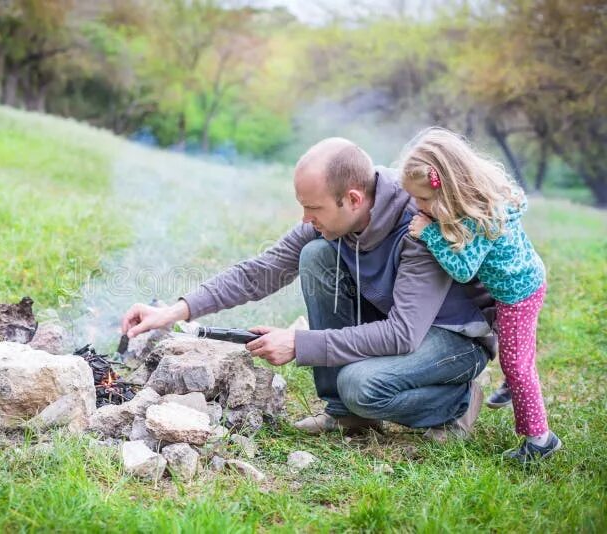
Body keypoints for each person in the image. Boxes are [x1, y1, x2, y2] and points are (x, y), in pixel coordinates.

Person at [122, 137, 497, 441]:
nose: (306, 219)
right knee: (316, 254)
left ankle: (458, 401)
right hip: (401, 321)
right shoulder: (334, 220)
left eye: (313, 208)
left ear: (353, 199)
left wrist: (300, 344)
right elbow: (261, 271)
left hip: (452, 338)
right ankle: (347, 417)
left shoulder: (418, 226)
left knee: (361, 385)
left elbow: (402, 334)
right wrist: (175, 311)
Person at [401, 127, 561, 462]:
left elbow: (463, 270)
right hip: (519, 284)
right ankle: (514, 386)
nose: (419, 206)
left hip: (518, 294)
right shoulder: (478, 202)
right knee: (517, 351)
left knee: (516, 362)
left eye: (426, 200)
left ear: (450, 189)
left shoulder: (481, 219)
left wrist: (430, 233)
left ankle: (540, 440)